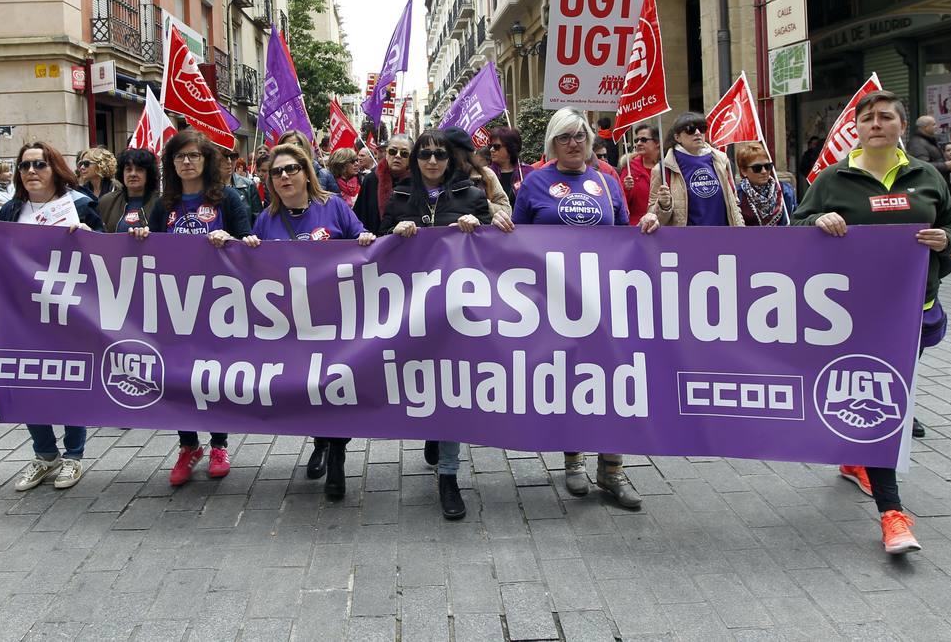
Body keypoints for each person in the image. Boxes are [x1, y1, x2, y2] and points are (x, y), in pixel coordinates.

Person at [792, 90, 951, 554]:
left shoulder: (926, 177)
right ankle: (892, 513)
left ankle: (853, 459)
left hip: (912, 313)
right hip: (853, 317)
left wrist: (946, 238)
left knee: (886, 398)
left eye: (886, 117)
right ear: (857, 128)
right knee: (884, 402)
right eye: (867, 118)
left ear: (901, 126)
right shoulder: (832, 179)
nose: (876, 124)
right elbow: (795, 228)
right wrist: (817, 222)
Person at [506, 108, 659, 511]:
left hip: (606, 301)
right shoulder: (534, 184)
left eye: (580, 136)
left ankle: (612, 469)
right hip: (554, 305)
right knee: (570, 380)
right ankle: (572, 458)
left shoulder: (607, 183)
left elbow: (625, 236)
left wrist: (647, 225)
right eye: (565, 137)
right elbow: (517, 242)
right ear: (552, 143)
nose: (574, 143)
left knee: (613, 381)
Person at [240, 143, 375, 499]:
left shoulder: (332, 207)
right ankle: (320, 442)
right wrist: (248, 247)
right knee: (309, 386)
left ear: (305, 172)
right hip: (293, 324)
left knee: (335, 384)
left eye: (291, 169)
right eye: (277, 172)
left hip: (336, 318)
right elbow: (255, 271)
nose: (284, 176)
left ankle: (338, 456)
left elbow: (361, 241)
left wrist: (364, 240)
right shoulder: (266, 220)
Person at [0, 141, 103, 492]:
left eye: (40, 165)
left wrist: (93, 238)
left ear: (55, 168)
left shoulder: (80, 206)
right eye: (25, 165)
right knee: (27, 380)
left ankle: (73, 455)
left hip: (71, 312)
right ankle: (45, 454)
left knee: (71, 382)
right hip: (23, 315)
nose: (31, 172)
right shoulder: (10, 210)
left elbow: (110, 253)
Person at [379, 130, 493, 520]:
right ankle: (432, 428)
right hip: (411, 313)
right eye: (424, 154)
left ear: (450, 159)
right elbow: (376, 249)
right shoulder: (398, 199)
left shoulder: (471, 196)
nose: (431, 161)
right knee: (425, 384)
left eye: (439, 155)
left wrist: (477, 227)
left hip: (457, 313)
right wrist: (393, 235)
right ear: (415, 160)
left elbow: (493, 247)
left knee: (452, 387)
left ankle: (448, 475)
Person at [135, 129, 252, 486]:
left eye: (194, 156)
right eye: (180, 157)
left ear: (206, 161)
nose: (187, 162)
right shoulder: (163, 205)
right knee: (179, 376)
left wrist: (230, 240)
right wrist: (142, 239)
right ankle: (188, 445)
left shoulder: (228, 199)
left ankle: (219, 444)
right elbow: (150, 249)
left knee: (212, 375)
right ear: (171, 164)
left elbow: (250, 244)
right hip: (174, 306)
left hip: (219, 304)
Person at [650, 112, 745, 227]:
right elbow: (653, 218)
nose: (698, 133)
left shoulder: (721, 160)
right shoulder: (663, 169)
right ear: (677, 137)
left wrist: (740, 230)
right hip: (687, 240)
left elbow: (734, 203)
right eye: (690, 130)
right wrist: (663, 205)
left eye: (702, 128)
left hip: (723, 237)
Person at [443, 128, 511, 220]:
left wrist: (481, 203)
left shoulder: (486, 174)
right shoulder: (434, 175)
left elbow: (506, 210)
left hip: (479, 231)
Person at [354, 132, 412, 233]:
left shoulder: (418, 182)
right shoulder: (371, 180)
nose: (397, 156)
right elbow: (359, 218)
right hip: (374, 243)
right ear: (386, 153)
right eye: (393, 151)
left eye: (404, 153)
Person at [97, 148, 160, 233]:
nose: (133, 174)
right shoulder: (106, 202)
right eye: (128, 169)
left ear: (148, 174)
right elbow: (97, 233)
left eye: (139, 169)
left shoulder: (161, 203)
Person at [734, 142, 797, 226]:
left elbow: (796, 220)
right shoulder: (736, 196)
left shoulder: (785, 191)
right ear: (743, 171)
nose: (764, 171)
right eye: (757, 168)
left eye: (767, 166)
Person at [620, 123, 661, 223]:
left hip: (663, 226)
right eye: (636, 140)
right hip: (636, 228)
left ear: (657, 142)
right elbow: (621, 204)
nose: (638, 143)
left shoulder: (668, 167)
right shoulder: (630, 168)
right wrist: (626, 189)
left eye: (643, 140)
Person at [487, 127, 531, 206]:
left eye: (496, 146)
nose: (492, 150)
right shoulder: (486, 174)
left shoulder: (528, 173)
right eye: (490, 146)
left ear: (510, 148)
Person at [218, 146, 261, 221]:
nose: (229, 161)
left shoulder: (249, 185)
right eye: (224, 156)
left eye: (233, 156)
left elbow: (258, 221)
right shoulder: (204, 187)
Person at [907, 116, 950, 183]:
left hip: (937, 181)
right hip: (930, 183)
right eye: (933, 124)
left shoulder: (929, 140)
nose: (936, 127)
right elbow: (921, 166)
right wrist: (945, 166)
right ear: (925, 127)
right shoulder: (917, 144)